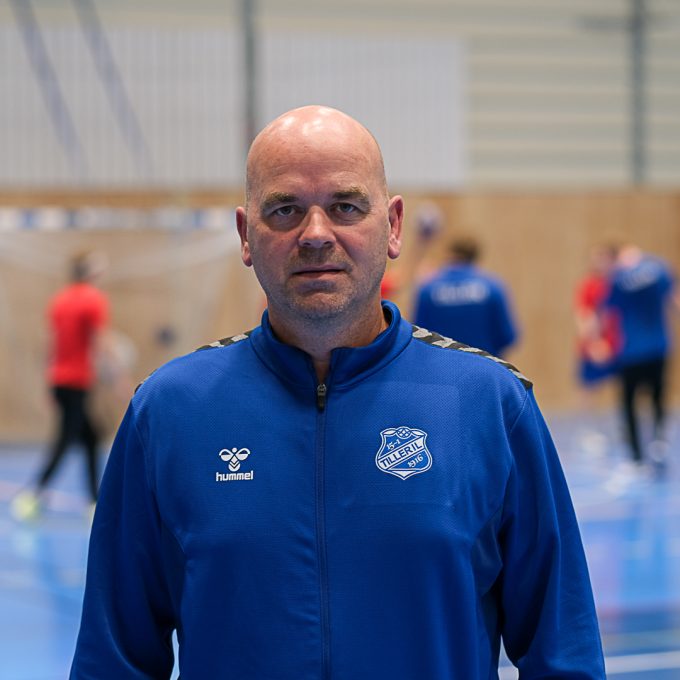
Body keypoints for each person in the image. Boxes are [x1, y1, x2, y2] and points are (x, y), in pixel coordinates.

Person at [71, 106, 605, 679]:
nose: (316, 234)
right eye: (285, 210)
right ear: (246, 235)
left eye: (346, 206)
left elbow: (564, 655)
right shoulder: (169, 411)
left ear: (393, 226)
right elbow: (113, 662)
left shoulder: (490, 404)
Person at [11, 250, 109, 520]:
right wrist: (117, 379)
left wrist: (48, 381)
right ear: (90, 271)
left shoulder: (59, 299)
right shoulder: (93, 299)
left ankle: (94, 502)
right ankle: (32, 496)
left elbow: (50, 343)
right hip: (77, 380)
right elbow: (99, 343)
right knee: (66, 439)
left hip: (58, 379)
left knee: (91, 438)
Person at [604, 243, 679, 471]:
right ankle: (658, 441)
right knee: (658, 396)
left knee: (628, 403)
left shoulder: (618, 278)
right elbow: (674, 299)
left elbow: (609, 310)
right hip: (658, 347)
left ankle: (636, 457)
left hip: (631, 350)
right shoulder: (660, 269)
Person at [413, 236, 518, 357]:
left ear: (450, 255)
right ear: (474, 256)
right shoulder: (492, 288)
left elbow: (418, 335)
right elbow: (507, 336)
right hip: (483, 364)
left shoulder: (428, 290)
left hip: (441, 365)